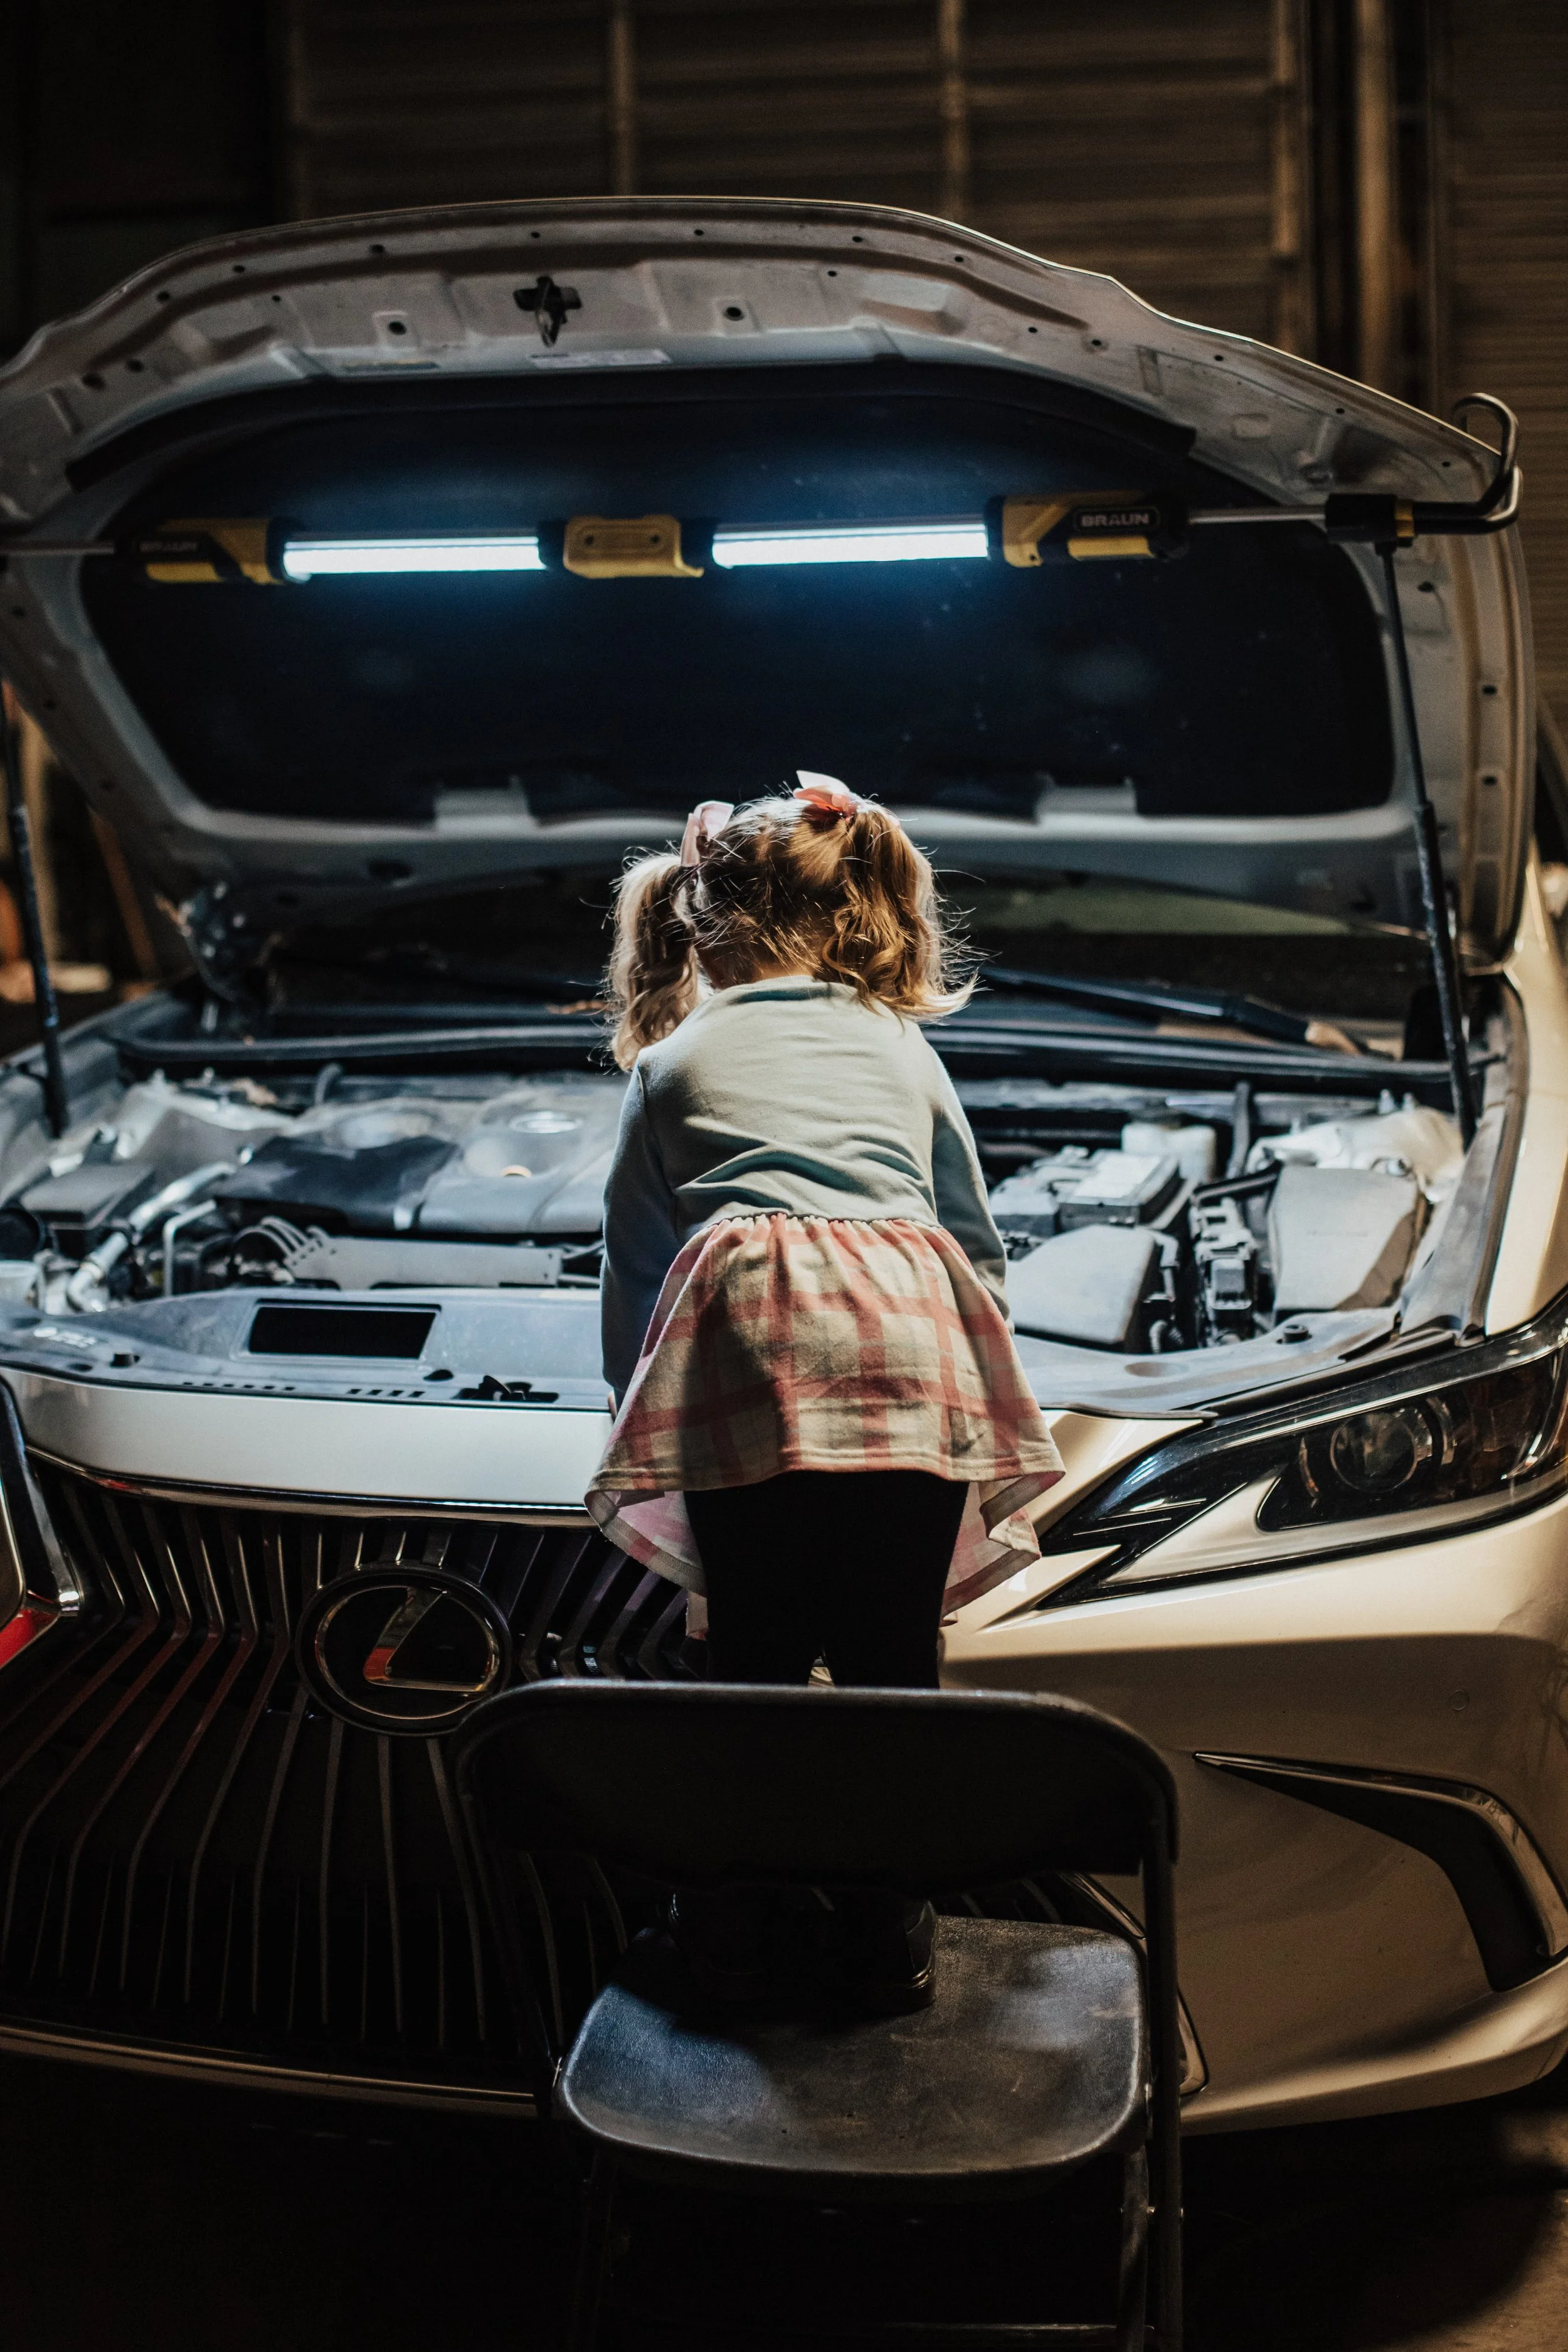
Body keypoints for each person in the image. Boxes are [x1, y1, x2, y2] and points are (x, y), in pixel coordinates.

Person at [586, 775, 1064, 2006]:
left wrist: (633, 1417)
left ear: (691, 926)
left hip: (747, 1341)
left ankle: (733, 1938)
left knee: (746, 1671)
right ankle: (885, 1938)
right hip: (916, 1351)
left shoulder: (673, 1057)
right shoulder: (897, 1043)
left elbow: (636, 1273)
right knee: (893, 1668)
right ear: (858, 908)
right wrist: (975, 1379)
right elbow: (972, 1236)